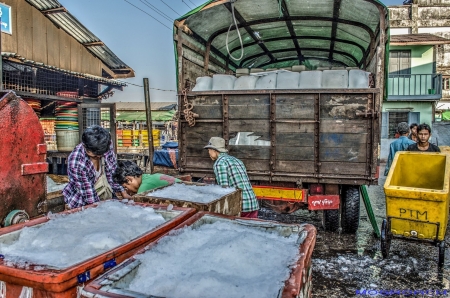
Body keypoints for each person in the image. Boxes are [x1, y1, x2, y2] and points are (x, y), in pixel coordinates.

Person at [63, 125, 131, 209]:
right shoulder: (76, 163)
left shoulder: (105, 143)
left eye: (101, 154)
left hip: (104, 193)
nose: (99, 157)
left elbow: (112, 170)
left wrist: (122, 191)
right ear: (85, 146)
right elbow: (89, 196)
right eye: (95, 155)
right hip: (82, 201)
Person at [204, 137, 259, 218]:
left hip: (240, 207)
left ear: (214, 150)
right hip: (252, 203)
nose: (208, 153)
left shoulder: (220, 163)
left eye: (209, 150)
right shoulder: (236, 160)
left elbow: (224, 190)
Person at [113, 160, 181, 195]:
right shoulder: (149, 177)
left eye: (125, 187)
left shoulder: (144, 188)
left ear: (129, 179)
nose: (127, 190)